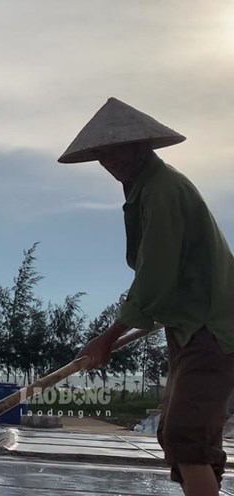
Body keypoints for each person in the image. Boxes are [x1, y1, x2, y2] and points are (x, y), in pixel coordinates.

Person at [60, 97, 234, 496]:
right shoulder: (145, 191)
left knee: (186, 433)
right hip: (190, 327)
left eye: (117, 150)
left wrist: (108, 336)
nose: (110, 161)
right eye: (102, 153)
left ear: (142, 147)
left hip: (213, 329)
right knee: (183, 434)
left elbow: (156, 274)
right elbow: (163, 279)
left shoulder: (162, 189)